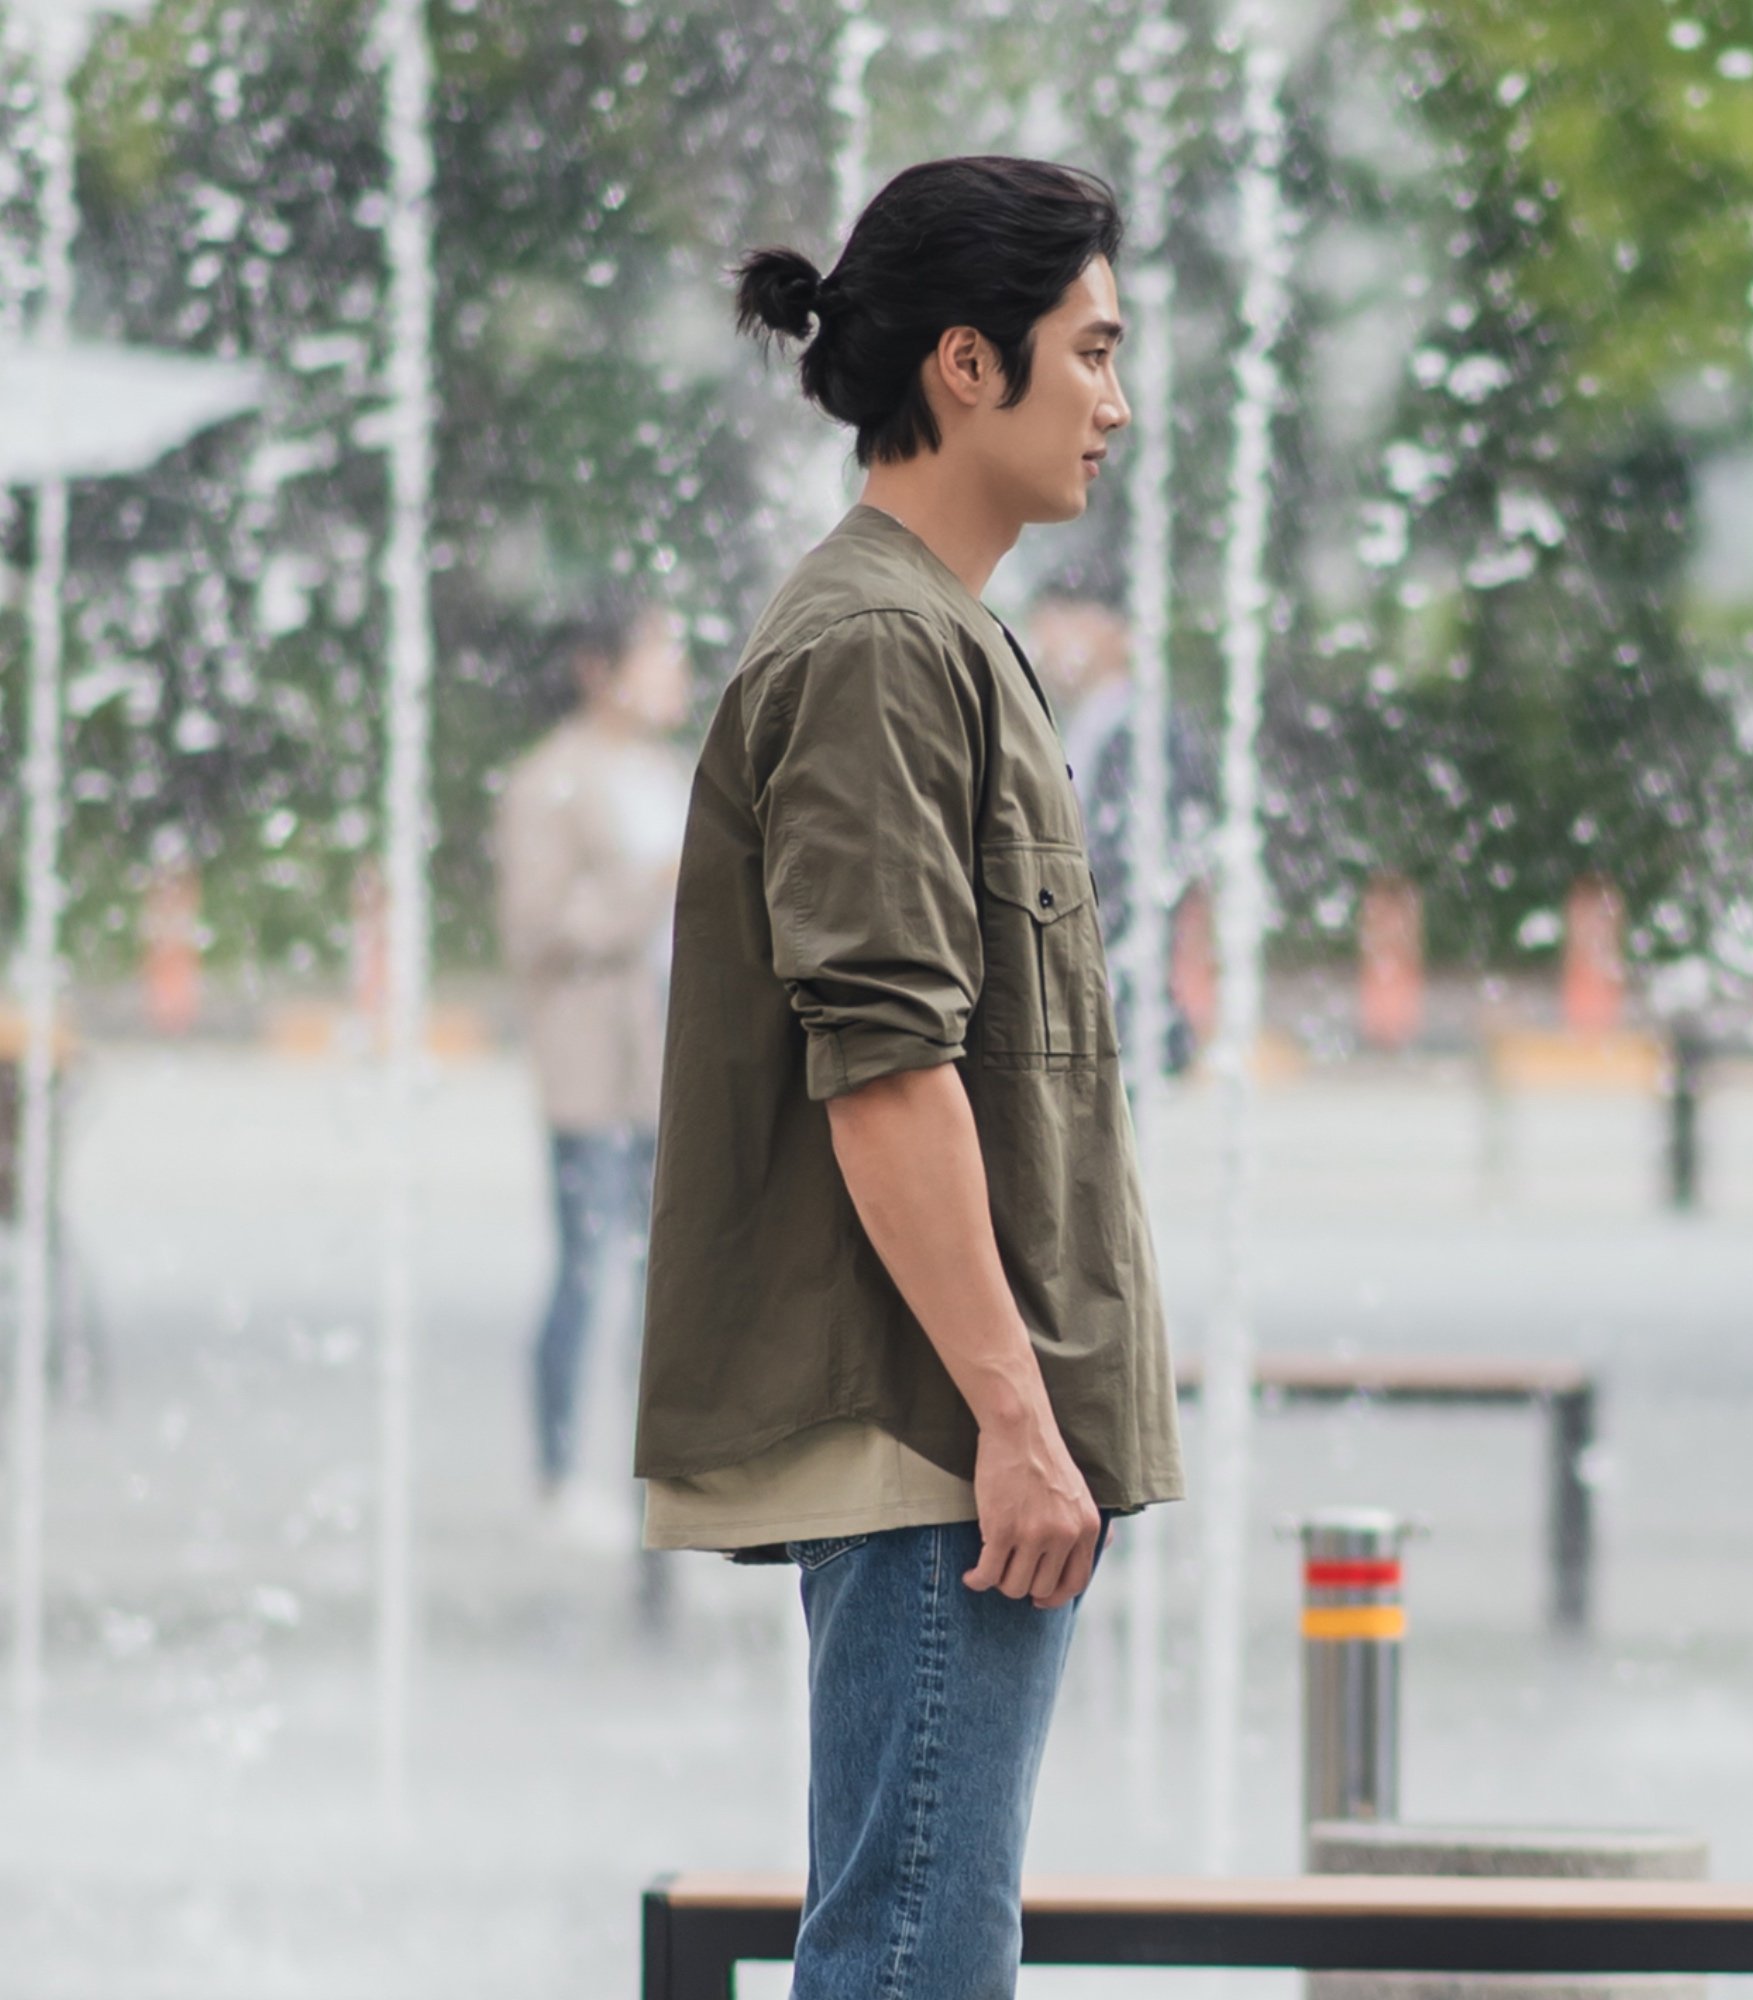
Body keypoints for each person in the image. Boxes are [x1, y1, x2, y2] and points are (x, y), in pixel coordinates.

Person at [634, 156, 1182, 2000]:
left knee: (918, 1930)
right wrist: (1018, 1423)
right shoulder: (882, 645)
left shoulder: (940, 634)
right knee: (911, 1948)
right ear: (968, 363)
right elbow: (883, 1073)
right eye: (1090, 352)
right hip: (934, 1434)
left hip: (945, 1427)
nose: (1117, 401)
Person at [494, 594, 690, 1538]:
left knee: (671, 1276)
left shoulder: (671, 772)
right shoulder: (549, 782)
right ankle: (560, 1472)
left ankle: (659, 1471)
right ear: (599, 668)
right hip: (589, 1068)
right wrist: (645, 891)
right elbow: (537, 927)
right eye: (658, 654)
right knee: (583, 1268)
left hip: (669, 1065)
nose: (676, 673)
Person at [1024, 591, 1211, 1072]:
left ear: (1119, 632)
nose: (1044, 637)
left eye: (1066, 616)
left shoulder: (1150, 735)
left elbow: (1121, 877)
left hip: (1122, 1020)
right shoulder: (1072, 730)